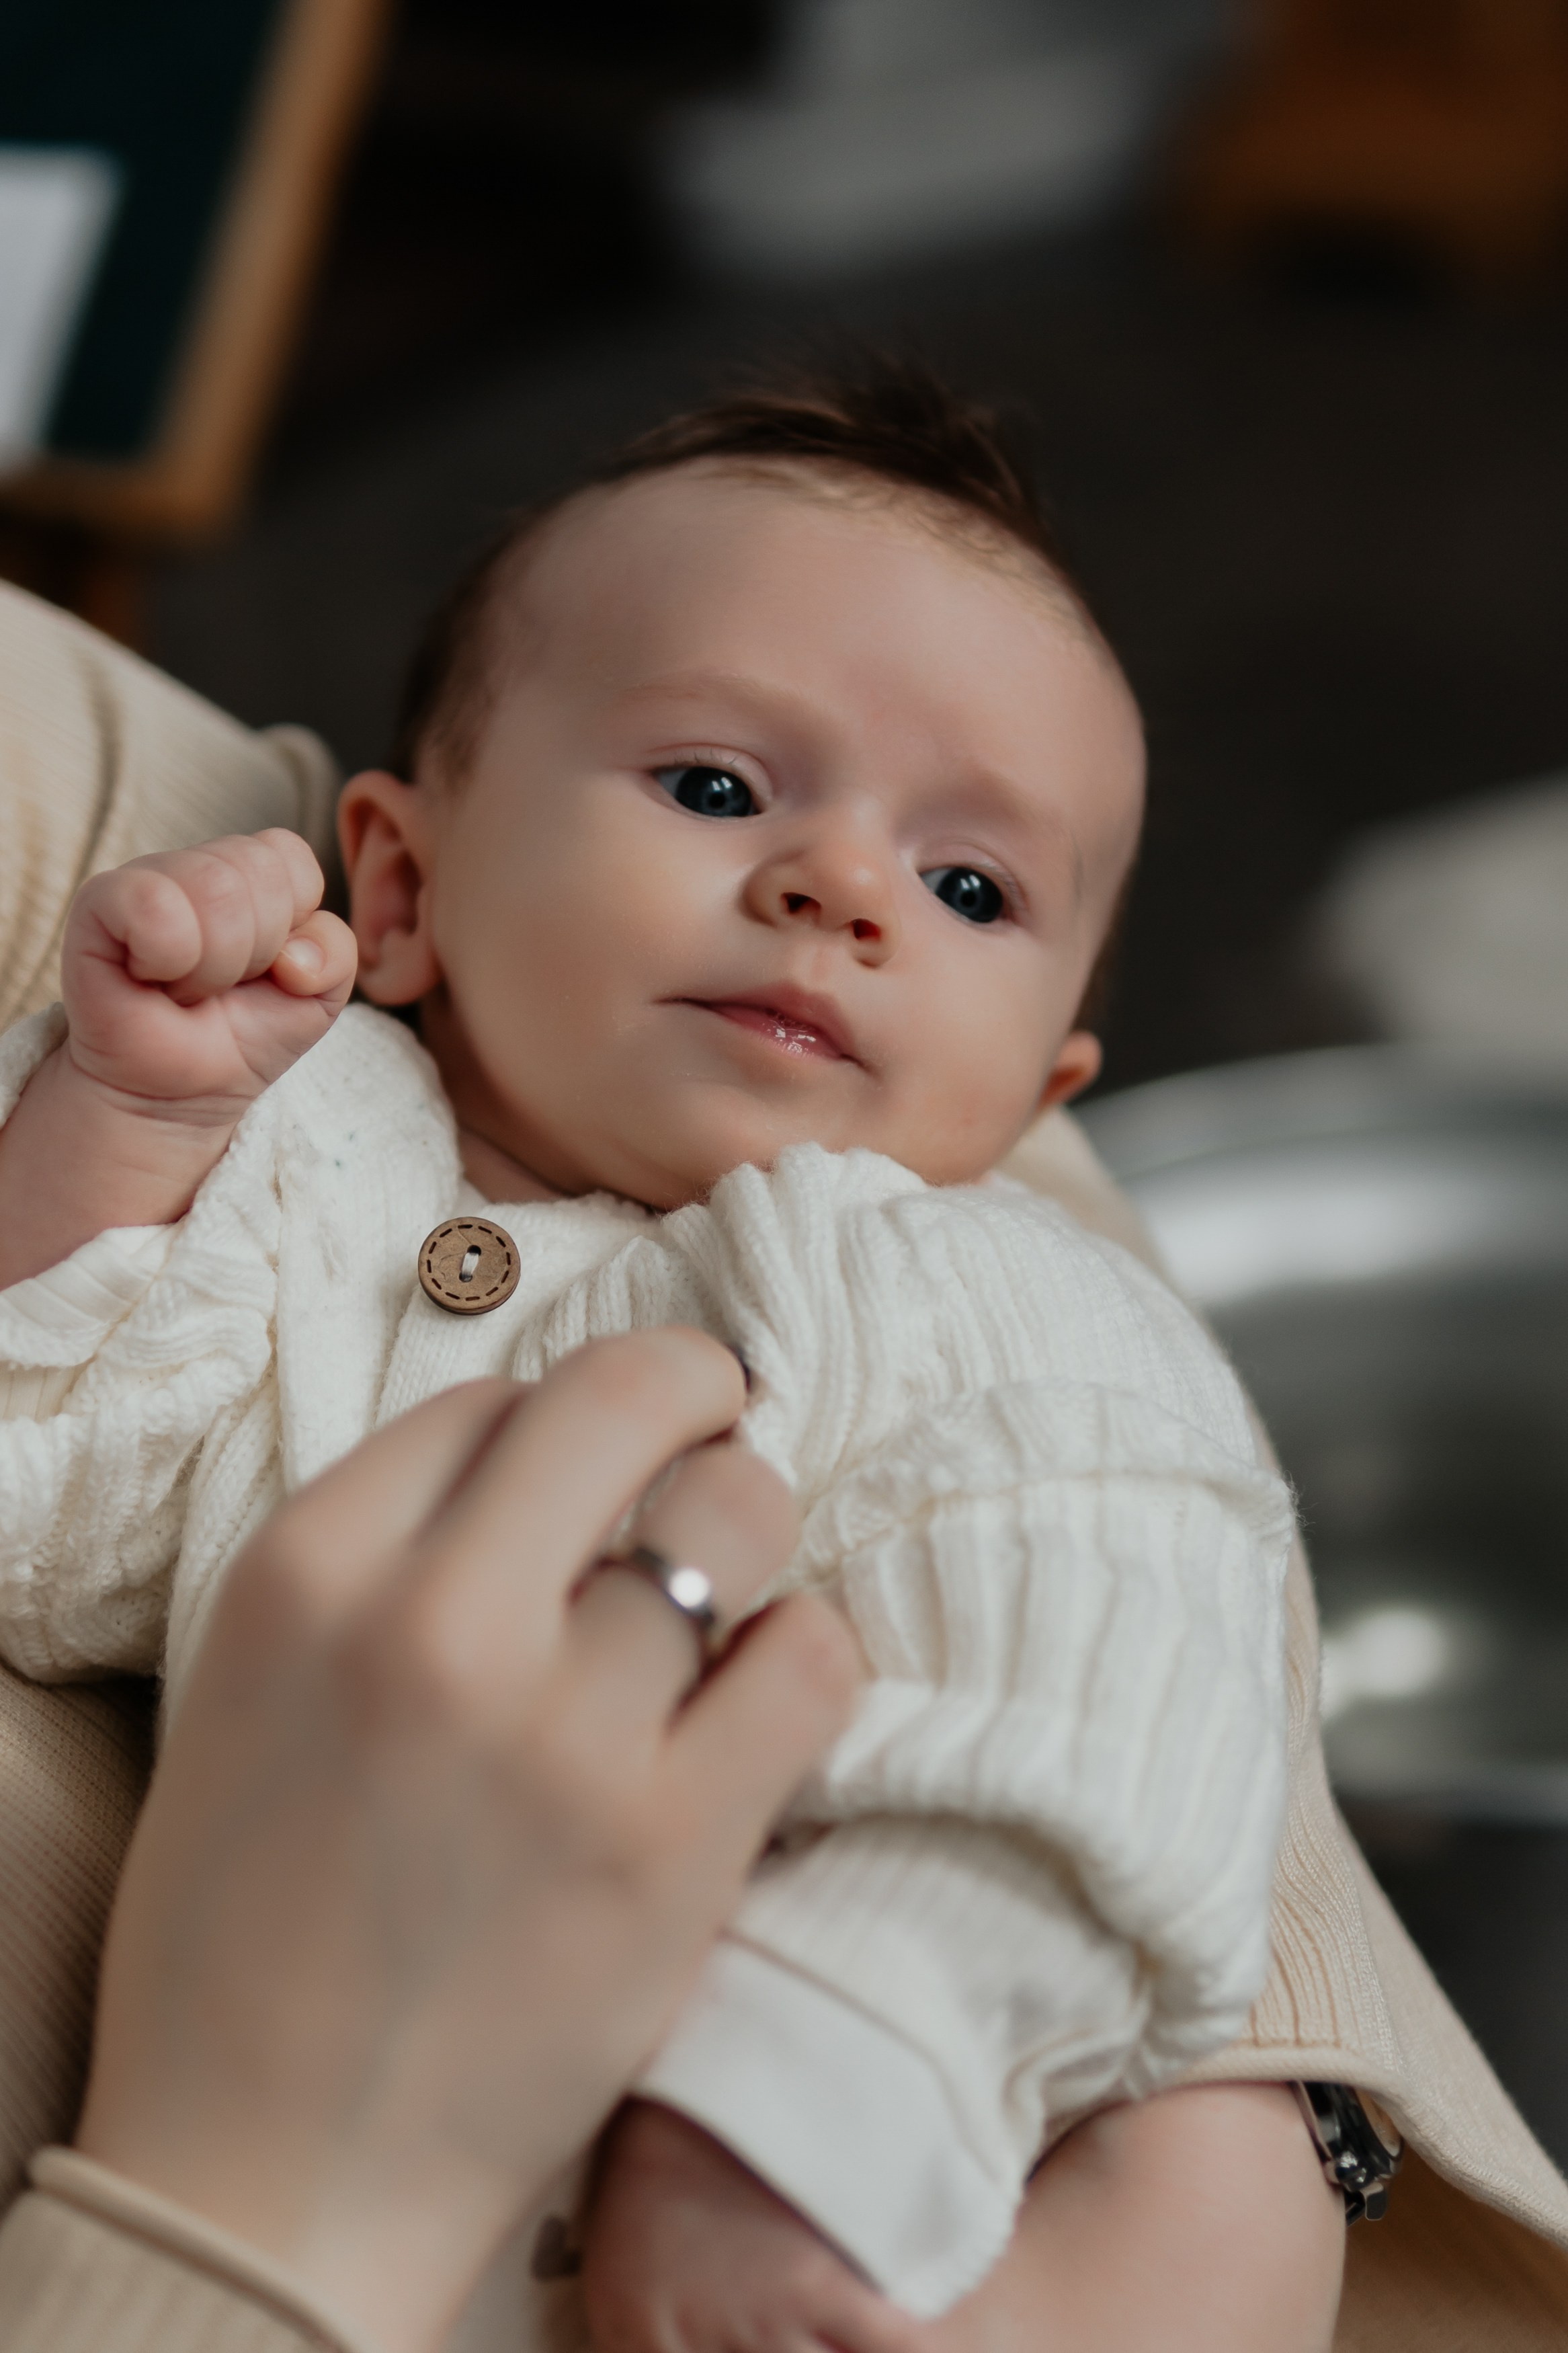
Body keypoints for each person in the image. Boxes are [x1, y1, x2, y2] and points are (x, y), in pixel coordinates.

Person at [0, 362, 1548, 2350]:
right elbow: (55, 1536)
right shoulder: (297, 1148)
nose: (843, 888)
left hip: (853, 2199)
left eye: (972, 885)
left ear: (1034, 1105)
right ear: (394, 885)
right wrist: (115, 1134)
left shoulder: (980, 1290)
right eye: (720, 786)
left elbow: (1088, 1692)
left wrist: (795, 2121)